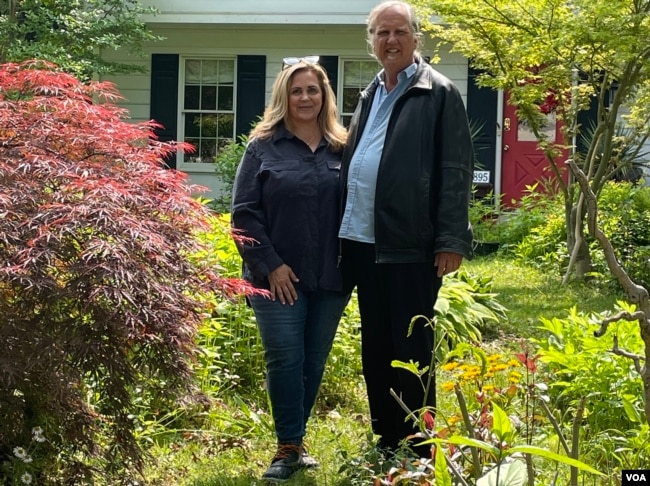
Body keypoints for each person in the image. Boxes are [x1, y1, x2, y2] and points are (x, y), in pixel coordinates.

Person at [338, 0, 474, 458]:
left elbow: (455, 169)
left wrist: (451, 238)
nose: (390, 41)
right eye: (381, 33)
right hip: (362, 242)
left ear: (417, 38)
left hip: (411, 244)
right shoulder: (369, 93)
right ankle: (387, 436)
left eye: (399, 32)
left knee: (412, 345)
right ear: (371, 40)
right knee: (375, 343)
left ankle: (420, 444)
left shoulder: (439, 93)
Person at [231, 56, 350, 482]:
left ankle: (296, 442)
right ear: (284, 95)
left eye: (313, 90)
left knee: (312, 361)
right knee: (284, 360)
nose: (305, 97)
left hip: (331, 276)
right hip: (276, 278)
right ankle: (286, 448)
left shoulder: (343, 147)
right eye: (296, 90)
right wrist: (272, 265)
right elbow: (243, 214)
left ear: (324, 96)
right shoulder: (262, 146)